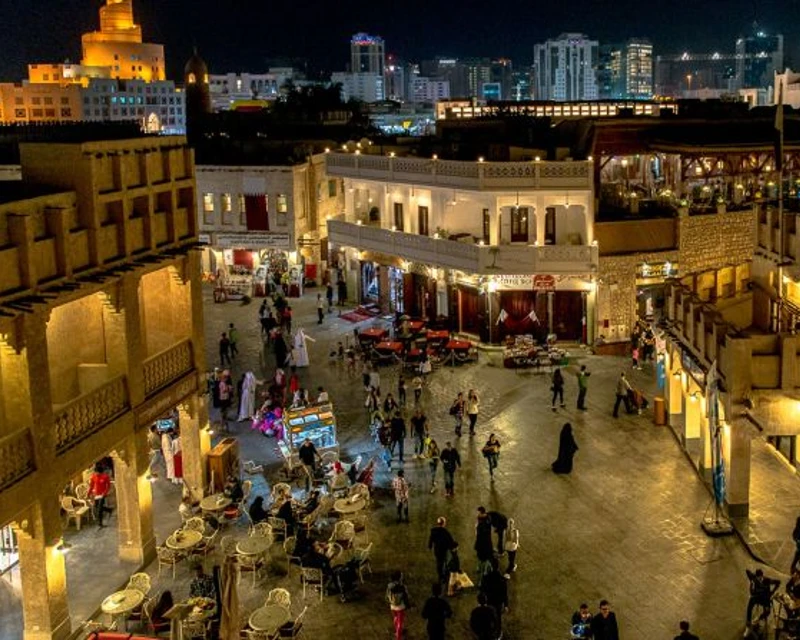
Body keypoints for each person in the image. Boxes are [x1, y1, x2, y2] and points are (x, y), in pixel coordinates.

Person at [480, 558, 508, 637]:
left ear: (491, 567)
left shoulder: (485, 578)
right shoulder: (502, 579)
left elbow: (482, 590)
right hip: (498, 602)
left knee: (488, 616)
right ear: (498, 567)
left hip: (489, 601)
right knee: (498, 618)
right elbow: (504, 593)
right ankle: (498, 633)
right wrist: (506, 605)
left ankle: (488, 631)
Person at [428, 516, 456, 583]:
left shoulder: (433, 531)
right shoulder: (445, 532)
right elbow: (450, 541)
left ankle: (440, 575)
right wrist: (453, 548)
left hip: (437, 550)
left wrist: (430, 546)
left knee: (439, 562)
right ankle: (445, 575)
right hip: (444, 550)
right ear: (443, 523)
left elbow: (431, 539)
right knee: (446, 562)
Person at [88, 463, 113, 527]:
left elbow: (108, 486)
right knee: (97, 507)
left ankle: (100, 523)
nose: (96, 473)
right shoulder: (93, 477)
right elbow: (91, 486)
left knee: (99, 510)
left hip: (102, 495)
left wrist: (104, 493)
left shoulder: (105, 477)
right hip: (96, 495)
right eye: (95, 472)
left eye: (97, 472)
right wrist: (89, 493)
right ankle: (109, 510)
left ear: (101, 472)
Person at [386, 571, 410, 640]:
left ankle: (397, 631)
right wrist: (408, 605)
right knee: (400, 622)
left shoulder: (389, 586)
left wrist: (390, 602)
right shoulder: (402, 587)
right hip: (400, 607)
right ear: (399, 578)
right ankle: (398, 637)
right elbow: (406, 597)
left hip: (392, 606)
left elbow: (386, 596)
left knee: (395, 618)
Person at [474, 507, 494, 579]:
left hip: (483, 542)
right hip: (486, 541)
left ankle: (484, 570)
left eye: (478, 512)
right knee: (483, 556)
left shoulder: (483, 523)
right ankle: (481, 568)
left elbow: (478, 534)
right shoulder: (487, 518)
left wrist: (476, 528)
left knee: (484, 557)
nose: (477, 514)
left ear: (481, 512)